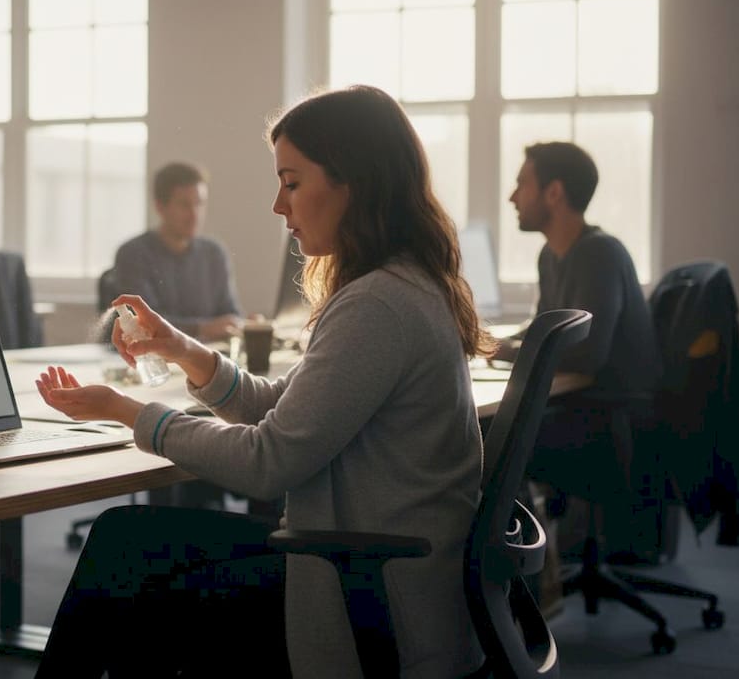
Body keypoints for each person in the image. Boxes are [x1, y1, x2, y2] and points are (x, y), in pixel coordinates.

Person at [32, 85, 491, 677]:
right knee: (135, 551)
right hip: (382, 575)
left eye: (293, 182)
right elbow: (286, 407)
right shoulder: (399, 286)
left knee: (129, 553)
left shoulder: (378, 305)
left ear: (355, 182)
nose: (279, 206)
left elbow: (267, 461)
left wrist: (127, 411)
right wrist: (183, 350)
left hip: (370, 597)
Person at [501, 142, 664, 549]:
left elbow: (588, 355)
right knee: (497, 429)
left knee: (493, 439)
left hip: (610, 421)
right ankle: (533, 568)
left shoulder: (599, 254)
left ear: (554, 193)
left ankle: (521, 573)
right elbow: (545, 328)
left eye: (522, 183)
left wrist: (503, 352)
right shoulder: (551, 255)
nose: (512, 196)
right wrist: (498, 340)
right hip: (582, 408)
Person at [112, 162, 243, 342]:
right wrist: (203, 328)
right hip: (153, 360)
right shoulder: (133, 254)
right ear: (160, 207)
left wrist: (239, 324)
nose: (194, 214)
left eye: (200, 204)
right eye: (184, 205)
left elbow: (230, 314)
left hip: (205, 359)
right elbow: (145, 322)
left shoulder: (214, 253)